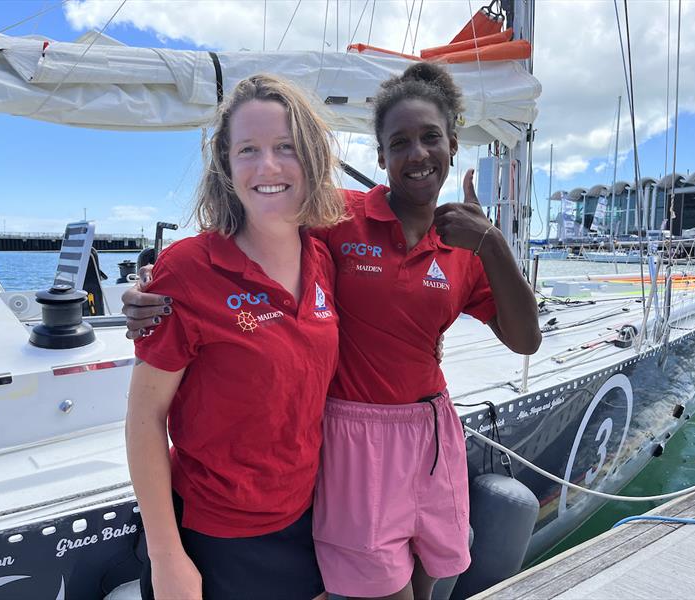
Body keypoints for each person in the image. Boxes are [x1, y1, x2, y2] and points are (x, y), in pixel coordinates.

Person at [124, 63, 541, 600]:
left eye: (431, 138)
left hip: (374, 468)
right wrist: (149, 291)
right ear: (380, 154)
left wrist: (492, 244)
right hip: (263, 499)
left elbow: (523, 337)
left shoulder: (393, 247)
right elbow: (261, 215)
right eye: (247, 149)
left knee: (434, 567)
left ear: (454, 144)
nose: (417, 155)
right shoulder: (328, 225)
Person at [126, 73, 344, 600]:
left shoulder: (323, 257)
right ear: (226, 164)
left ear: (311, 157)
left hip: (306, 520)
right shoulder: (188, 269)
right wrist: (166, 557)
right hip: (212, 536)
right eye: (248, 150)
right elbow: (144, 419)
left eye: (285, 148)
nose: (267, 167)